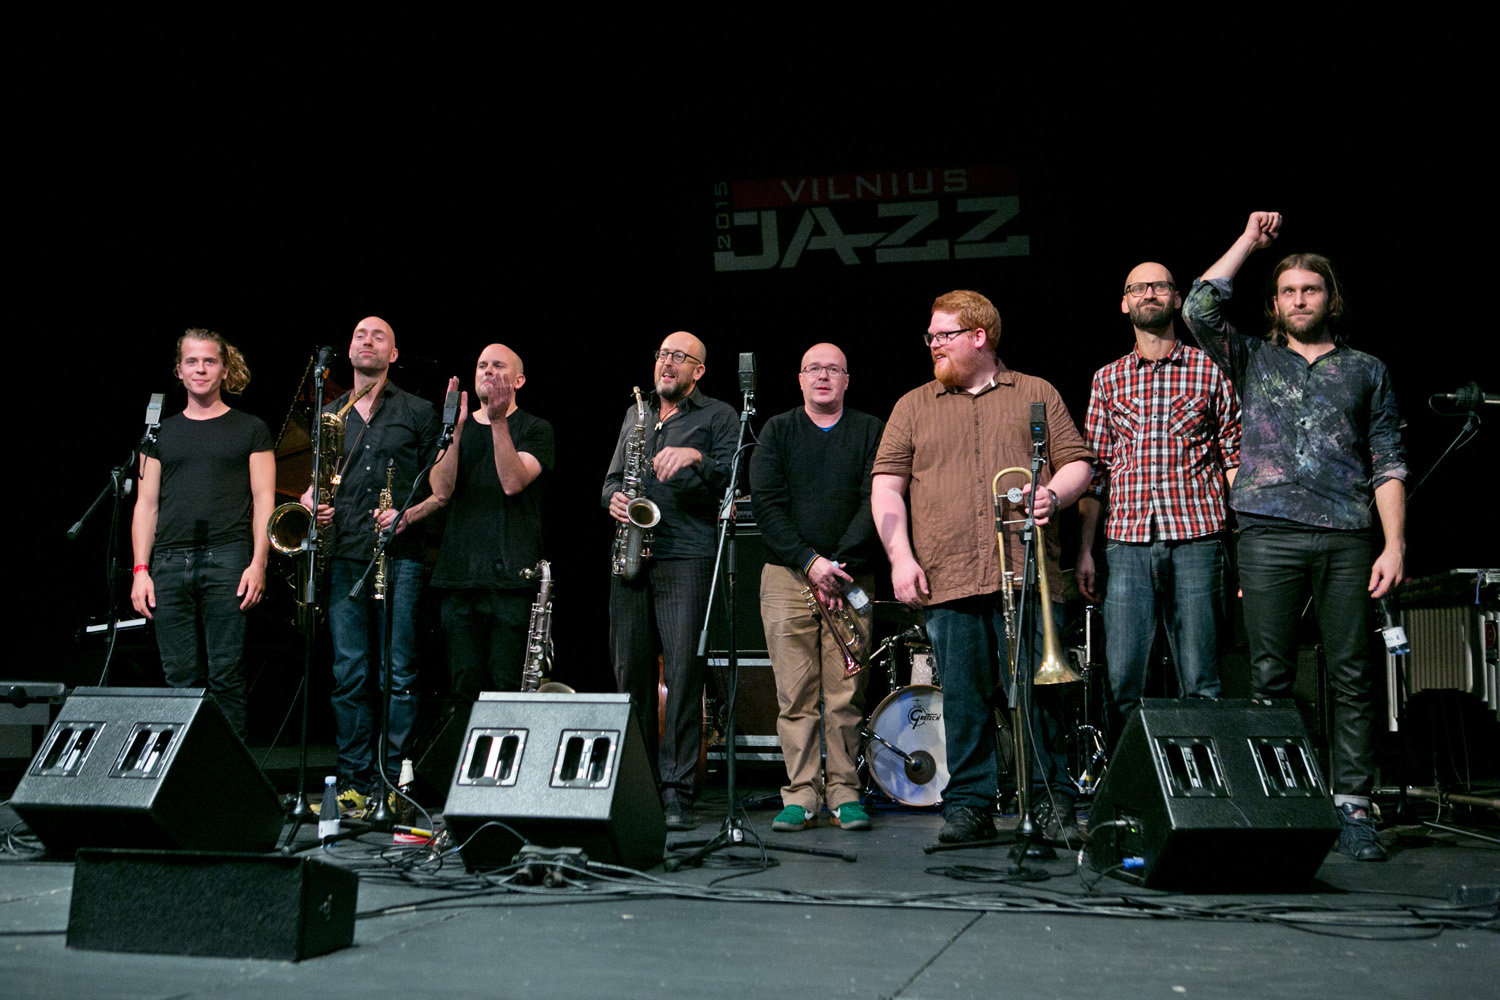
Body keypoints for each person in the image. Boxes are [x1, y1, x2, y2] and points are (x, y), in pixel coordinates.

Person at [1183, 212, 1407, 862]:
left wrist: (1394, 545)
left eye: (1311, 290)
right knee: (1270, 675)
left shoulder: (1365, 370)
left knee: (1352, 674)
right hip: (1267, 532)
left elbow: (1388, 461)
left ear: (1330, 299)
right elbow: (1198, 309)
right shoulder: (1253, 357)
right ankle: (1282, 801)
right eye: (1288, 291)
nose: (1300, 299)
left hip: (1345, 534)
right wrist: (1249, 243)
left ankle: (1353, 804)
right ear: (1275, 303)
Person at [872, 290, 1094, 845]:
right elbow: (886, 488)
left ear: (980, 337)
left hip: (1025, 571)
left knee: (1041, 696)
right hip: (947, 573)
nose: (933, 345)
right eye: (930, 336)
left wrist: (1054, 495)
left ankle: (1051, 801)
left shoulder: (1036, 392)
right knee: (964, 700)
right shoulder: (913, 405)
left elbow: (1077, 464)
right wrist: (900, 556)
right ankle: (970, 805)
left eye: (943, 335)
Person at [1078, 262, 1241, 732]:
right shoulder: (1107, 379)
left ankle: (1203, 775)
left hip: (1198, 539)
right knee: (1125, 679)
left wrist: (1246, 540)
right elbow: (1096, 473)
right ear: (1124, 303)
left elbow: (1234, 459)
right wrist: (1085, 549)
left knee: (1202, 679)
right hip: (1126, 543)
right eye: (1138, 288)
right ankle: (1137, 774)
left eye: (1160, 286)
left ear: (1176, 298)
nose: (1149, 293)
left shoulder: (1209, 369)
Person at [304, 316, 443, 815]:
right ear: (349, 350)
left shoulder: (418, 410)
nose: (367, 341)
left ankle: (392, 783)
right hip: (345, 556)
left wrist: (408, 514)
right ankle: (354, 782)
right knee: (349, 673)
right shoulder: (330, 413)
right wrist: (312, 502)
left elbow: (441, 489)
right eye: (360, 335)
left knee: (397, 674)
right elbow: (318, 482)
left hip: (401, 557)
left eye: (378, 336)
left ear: (393, 354)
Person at [603, 331, 736, 831]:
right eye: (662, 354)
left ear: (698, 370)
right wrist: (613, 499)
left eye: (679, 357)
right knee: (629, 676)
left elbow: (734, 477)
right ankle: (637, 786)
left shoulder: (718, 416)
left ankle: (677, 789)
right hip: (631, 555)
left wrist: (696, 458)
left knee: (683, 676)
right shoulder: (635, 415)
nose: (667, 362)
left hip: (687, 555)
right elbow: (610, 481)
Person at [750, 343, 884, 833]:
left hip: (850, 577)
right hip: (788, 576)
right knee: (795, 694)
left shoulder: (870, 430)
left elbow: (876, 498)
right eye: (814, 368)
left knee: (846, 693)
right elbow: (766, 504)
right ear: (800, 379)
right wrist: (810, 563)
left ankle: (845, 792)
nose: (823, 376)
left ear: (847, 380)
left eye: (833, 369)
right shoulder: (777, 430)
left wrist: (836, 565)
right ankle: (802, 793)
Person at [131, 329, 274, 741]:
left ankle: (229, 774)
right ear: (178, 370)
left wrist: (258, 564)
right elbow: (146, 505)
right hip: (169, 563)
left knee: (226, 676)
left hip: (227, 558)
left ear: (224, 370)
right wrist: (141, 570)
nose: (200, 369)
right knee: (179, 678)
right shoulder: (159, 434)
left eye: (209, 361)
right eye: (191, 361)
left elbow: (264, 500)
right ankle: (185, 772)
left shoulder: (250, 428)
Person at [429, 344, 554, 699]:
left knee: (506, 688)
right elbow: (441, 490)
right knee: (463, 689)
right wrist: (454, 430)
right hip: (459, 578)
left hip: (510, 582)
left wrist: (498, 421)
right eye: (482, 365)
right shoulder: (457, 426)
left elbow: (513, 482)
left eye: (498, 366)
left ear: (518, 381)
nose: (487, 371)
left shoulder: (535, 428)